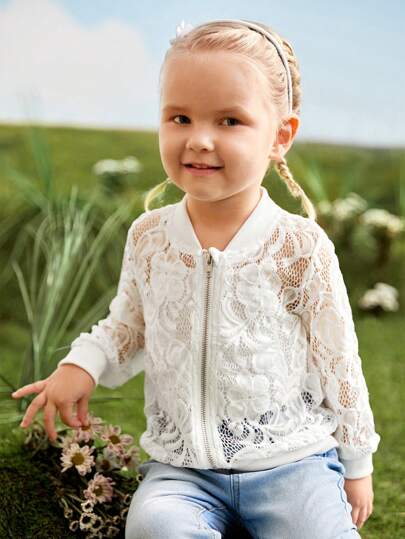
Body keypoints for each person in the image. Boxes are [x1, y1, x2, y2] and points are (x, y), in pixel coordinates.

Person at [11, 18, 381, 539]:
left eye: (230, 121)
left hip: (292, 464)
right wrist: (83, 364)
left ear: (280, 136)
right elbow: (129, 325)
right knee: (153, 527)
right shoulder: (150, 237)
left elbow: (338, 359)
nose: (199, 140)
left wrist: (357, 463)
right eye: (180, 117)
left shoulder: (299, 245)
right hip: (182, 472)